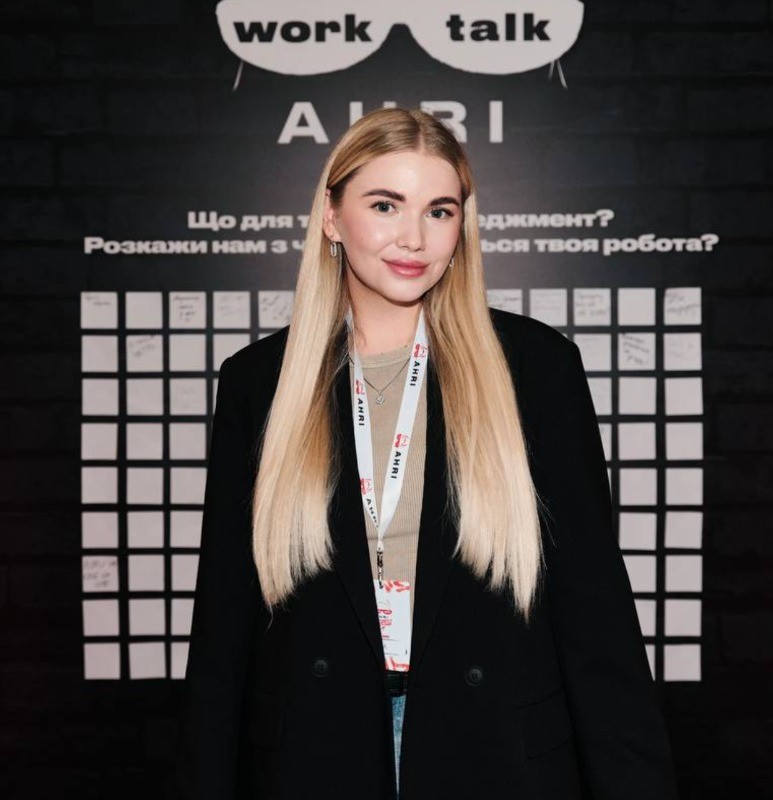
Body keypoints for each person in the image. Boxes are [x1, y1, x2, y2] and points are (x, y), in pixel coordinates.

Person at [174, 107, 679, 799]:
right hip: (315, 756)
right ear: (332, 217)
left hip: (496, 755)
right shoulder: (259, 383)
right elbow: (223, 629)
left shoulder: (536, 368)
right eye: (385, 205)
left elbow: (596, 616)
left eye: (439, 211)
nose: (414, 237)